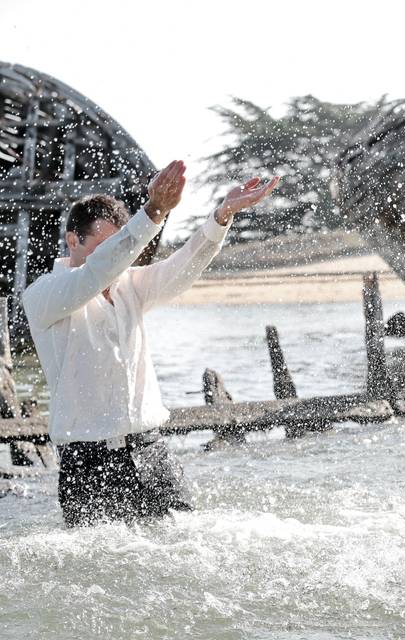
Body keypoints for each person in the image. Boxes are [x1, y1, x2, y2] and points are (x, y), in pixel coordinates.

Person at [22, 161, 279, 527]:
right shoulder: (44, 296)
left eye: (121, 247)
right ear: (72, 240)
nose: (117, 259)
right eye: (104, 247)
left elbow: (183, 268)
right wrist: (155, 210)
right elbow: (97, 272)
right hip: (88, 463)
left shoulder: (132, 285)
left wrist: (221, 215)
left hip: (151, 451)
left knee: (189, 544)